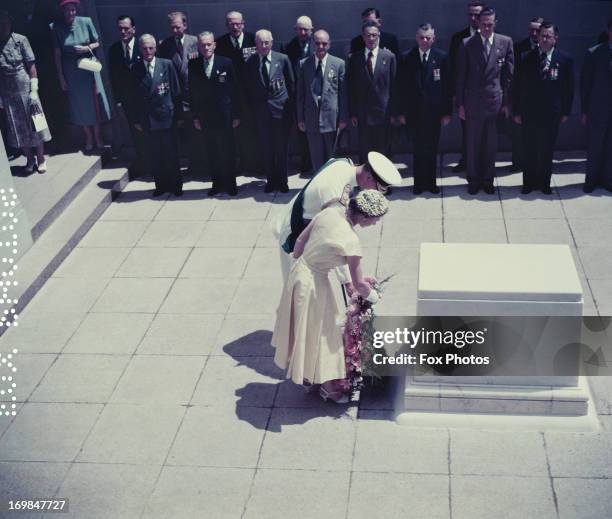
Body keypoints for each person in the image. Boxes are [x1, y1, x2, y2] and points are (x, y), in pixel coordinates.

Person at [272, 189, 389, 404]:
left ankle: (309, 377)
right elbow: (358, 285)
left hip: (299, 273)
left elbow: (299, 242)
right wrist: (373, 296)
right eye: (375, 220)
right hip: (314, 284)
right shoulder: (352, 242)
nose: (375, 224)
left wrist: (307, 265)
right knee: (325, 335)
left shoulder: (329, 213)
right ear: (364, 216)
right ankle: (328, 388)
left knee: (306, 328)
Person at [275, 151, 402, 291]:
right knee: (299, 294)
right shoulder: (336, 196)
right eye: (378, 189)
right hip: (294, 232)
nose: (374, 193)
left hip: (304, 226)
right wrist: (348, 282)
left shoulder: (343, 163)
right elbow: (336, 240)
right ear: (369, 177)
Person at [456, 7, 514, 195]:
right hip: (473, 102)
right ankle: (473, 180)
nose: (487, 28)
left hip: (494, 102)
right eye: (484, 25)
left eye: (490, 24)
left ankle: (488, 180)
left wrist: (506, 102)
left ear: (495, 23)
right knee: (472, 144)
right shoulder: (467, 44)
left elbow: (509, 76)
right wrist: (461, 105)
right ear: (478, 23)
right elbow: (461, 77)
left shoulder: (505, 42)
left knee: (490, 145)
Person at [513, 22, 573, 195]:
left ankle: (544, 183)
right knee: (529, 148)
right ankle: (528, 183)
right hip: (529, 112)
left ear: (556, 38)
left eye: (548, 36)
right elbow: (517, 86)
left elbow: (569, 89)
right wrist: (516, 111)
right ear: (537, 37)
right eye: (542, 36)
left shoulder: (565, 59)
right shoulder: (526, 57)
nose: (544, 39)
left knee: (547, 149)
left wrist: (566, 111)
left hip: (552, 113)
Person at [399, 23, 451, 194]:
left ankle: (431, 182)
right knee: (417, 150)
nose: (424, 40)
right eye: (421, 37)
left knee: (432, 149)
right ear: (416, 38)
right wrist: (402, 113)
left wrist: (446, 112)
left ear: (433, 39)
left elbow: (447, 89)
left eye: (428, 37)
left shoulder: (441, 57)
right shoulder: (408, 57)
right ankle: (419, 184)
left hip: (434, 114)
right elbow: (402, 88)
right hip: (414, 114)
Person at [52, 0, 110, 152]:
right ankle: (88, 137)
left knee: (94, 103)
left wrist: (86, 48)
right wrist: (61, 77)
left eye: (73, 10)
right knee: (80, 106)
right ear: (63, 11)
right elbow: (57, 55)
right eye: (67, 10)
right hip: (71, 71)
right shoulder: (57, 28)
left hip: (88, 67)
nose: (71, 13)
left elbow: (97, 42)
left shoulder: (86, 22)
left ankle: (98, 137)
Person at [188, 31, 240, 197]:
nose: (206, 47)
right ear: (199, 47)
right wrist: (195, 116)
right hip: (206, 117)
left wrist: (236, 115)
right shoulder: (193, 64)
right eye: (203, 45)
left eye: (209, 44)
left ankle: (231, 184)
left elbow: (235, 90)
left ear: (214, 45)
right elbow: (192, 92)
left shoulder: (226, 63)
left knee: (228, 151)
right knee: (212, 152)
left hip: (225, 116)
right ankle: (217, 184)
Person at [129, 34, 182, 197]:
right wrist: (136, 120)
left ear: (155, 48)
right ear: (140, 49)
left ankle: (176, 185)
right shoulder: (135, 68)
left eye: (151, 48)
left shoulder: (166, 64)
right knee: (155, 154)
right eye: (144, 48)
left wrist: (178, 117)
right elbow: (133, 97)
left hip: (167, 117)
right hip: (148, 119)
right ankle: (161, 185)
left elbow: (176, 92)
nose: (148, 51)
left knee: (171, 153)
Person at [0, 10, 51, 173]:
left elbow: (32, 66)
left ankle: (41, 157)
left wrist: (34, 89)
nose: (2, 25)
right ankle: (29, 158)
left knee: (36, 122)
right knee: (17, 125)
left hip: (25, 85)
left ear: (10, 21)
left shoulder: (21, 39)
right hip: (8, 90)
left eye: (5, 22)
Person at [244, 29, 294, 193]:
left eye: (266, 42)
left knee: (281, 148)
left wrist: (291, 110)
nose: (263, 45)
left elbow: (291, 84)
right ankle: (271, 181)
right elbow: (248, 88)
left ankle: (283, 181)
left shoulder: (283, 59)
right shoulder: (250, 62)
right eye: (260, 42)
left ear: (271, 43)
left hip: (281, 111)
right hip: (262, 113)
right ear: (256, 44)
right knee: (267, 149)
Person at [215, 11, 259, 176]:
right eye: (231, 24)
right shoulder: (220, 43)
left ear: (243, 23)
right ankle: (241, 164)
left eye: (237, 23)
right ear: (227, 25)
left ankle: (257, 163)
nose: (235, 27)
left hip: (253, 95)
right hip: (232, 96)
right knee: (236, 132)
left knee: (254, 130)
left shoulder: (253, 40)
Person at [296, 29, 348, 171]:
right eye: (317, 43)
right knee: (316, 157)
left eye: (324, 44)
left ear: (329, 44)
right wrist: (300, 118)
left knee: (332, 158)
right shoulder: (303, 64)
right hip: (311, 118)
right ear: (313, 43)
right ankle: (318, 186)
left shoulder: (338, 64)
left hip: (332, 118)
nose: (320, 47)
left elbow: (343, 94)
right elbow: (300, 94)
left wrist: (343, 118)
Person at [347, 21, 398, 163]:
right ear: (363, 37)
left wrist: (394, 113)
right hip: (363, 115)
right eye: (368, 35)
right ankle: (366, 183)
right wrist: (353, 112)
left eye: (374, 35)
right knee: (364, 152)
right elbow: (351, 87)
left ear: (379, 36)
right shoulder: (355, 59)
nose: (371, 39)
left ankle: (382, 184)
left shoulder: (389, 57)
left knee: (382, 153)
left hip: (383, 114)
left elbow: (394, 87)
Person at [158, 11, 199, 176]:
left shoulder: (196, 42)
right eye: (172, 27)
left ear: (185, 25)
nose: (175, 30)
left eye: (177, 27)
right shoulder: (165, 45)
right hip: (177, 97)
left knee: (199, 131)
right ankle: (191, 164)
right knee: (185, 133)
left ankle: (203, 163)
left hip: (195, 95)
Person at [448, 0, 484, 173]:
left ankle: (482, 163)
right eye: (470, 14)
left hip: (486, 95)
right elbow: (453, 68)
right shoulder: (458, 38)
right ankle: (466, 161)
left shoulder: (493, 36)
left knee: (486, 132)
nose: (473, 18)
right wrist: (455, 94)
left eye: (477, 14)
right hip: (466, 94)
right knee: (466, 130)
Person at [108, 15, 145, 178]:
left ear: (133, 29)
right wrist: (118, 101)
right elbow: (114, 78)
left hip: (146, 98)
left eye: (126, 28)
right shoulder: (114, 50)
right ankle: (143, 163)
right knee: (135, 132)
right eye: (120, 29)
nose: (123, 32)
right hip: (129, 101)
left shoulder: (144, 46)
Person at [580, 19, 612, 193]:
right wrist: (584, 110)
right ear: (609, 31)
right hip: (597, 109)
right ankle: (591, 180)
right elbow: (586, 84)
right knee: (595, 146)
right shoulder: (594, 53)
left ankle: (608, 180)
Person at [510, 16, 544, 173]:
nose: (534, 32)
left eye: (538, 29)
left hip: (541, 100)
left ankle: (536, 164)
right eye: (532, 29)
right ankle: (518, 163)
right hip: (522, 98)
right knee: (519, 134)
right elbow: (514, 76)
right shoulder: (518, 48)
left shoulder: (549, 46)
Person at [282, 16, 315, 175]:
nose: (302, 32)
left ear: (311, 29)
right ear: (295, 30)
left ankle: (320, 161)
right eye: (299, 29)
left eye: (305, 29)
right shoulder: (288, 48)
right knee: (302, 130)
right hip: (298, 96)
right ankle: (306, 162)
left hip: (317, 94)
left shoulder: (319, 44)